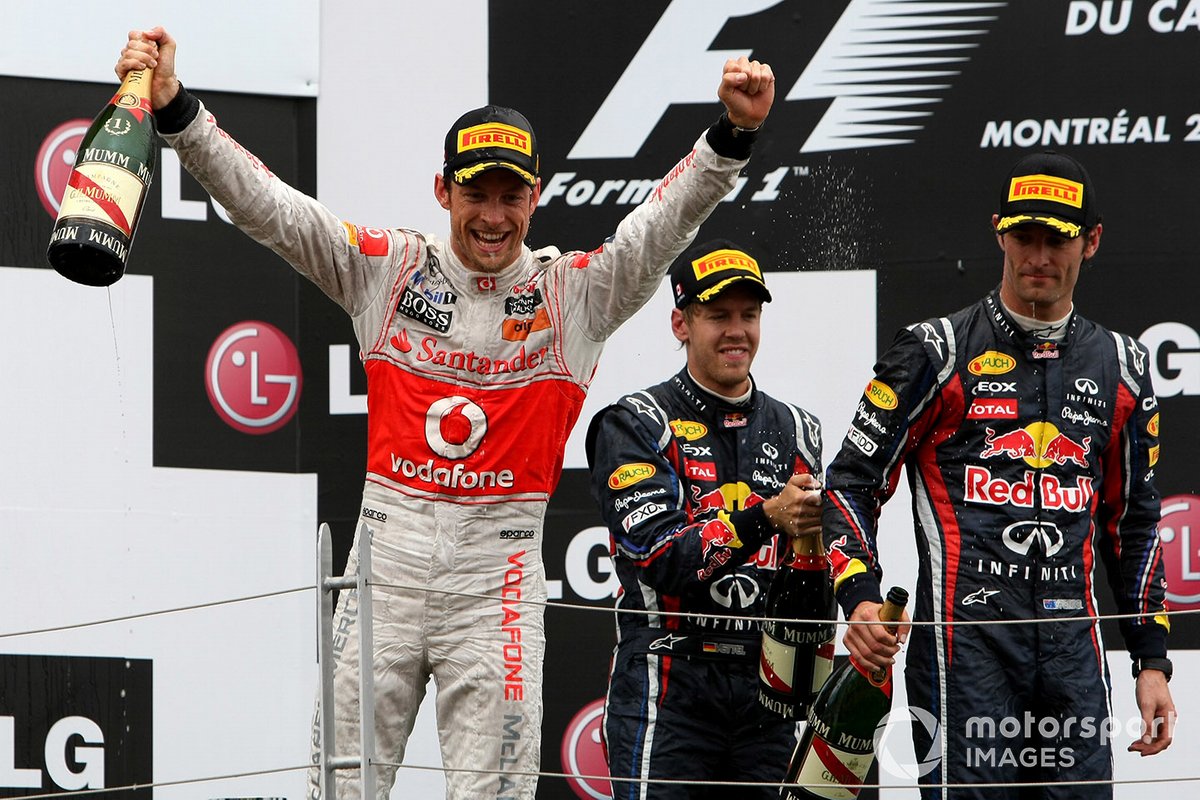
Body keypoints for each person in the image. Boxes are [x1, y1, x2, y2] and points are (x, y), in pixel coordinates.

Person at [116, 26, 776, 800]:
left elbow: (660, 229)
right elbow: (274, 211)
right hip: (385, 563)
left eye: (510, 196)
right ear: (443, 191)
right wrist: (177, 113)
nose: (492, 217)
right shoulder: (389, 270)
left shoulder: (574, 296)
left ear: (536, 195)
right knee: (341, 787)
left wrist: (731, 135)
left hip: (495, 579)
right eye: (475, 194)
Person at [821, 151, 1175, 798]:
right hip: (965, 654)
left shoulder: (1123, 367)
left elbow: (1133, 521)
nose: (1038, 256)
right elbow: (850, 481)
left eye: (1056, 239)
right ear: (998, 233)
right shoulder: (938, 353)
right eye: (1024, 237)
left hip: (1073, 654)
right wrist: (859, 596)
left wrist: (1151, 661)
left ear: (1090, 242)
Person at [585, 240, 824, 798]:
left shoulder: (800, 431)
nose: (736, 331)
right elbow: (659, 558)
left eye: (749, 315)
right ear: (681, 323)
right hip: (670, 684)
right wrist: (765, 517)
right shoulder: (637, 423)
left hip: (768, 691)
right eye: (718, 316)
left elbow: (822, 566)